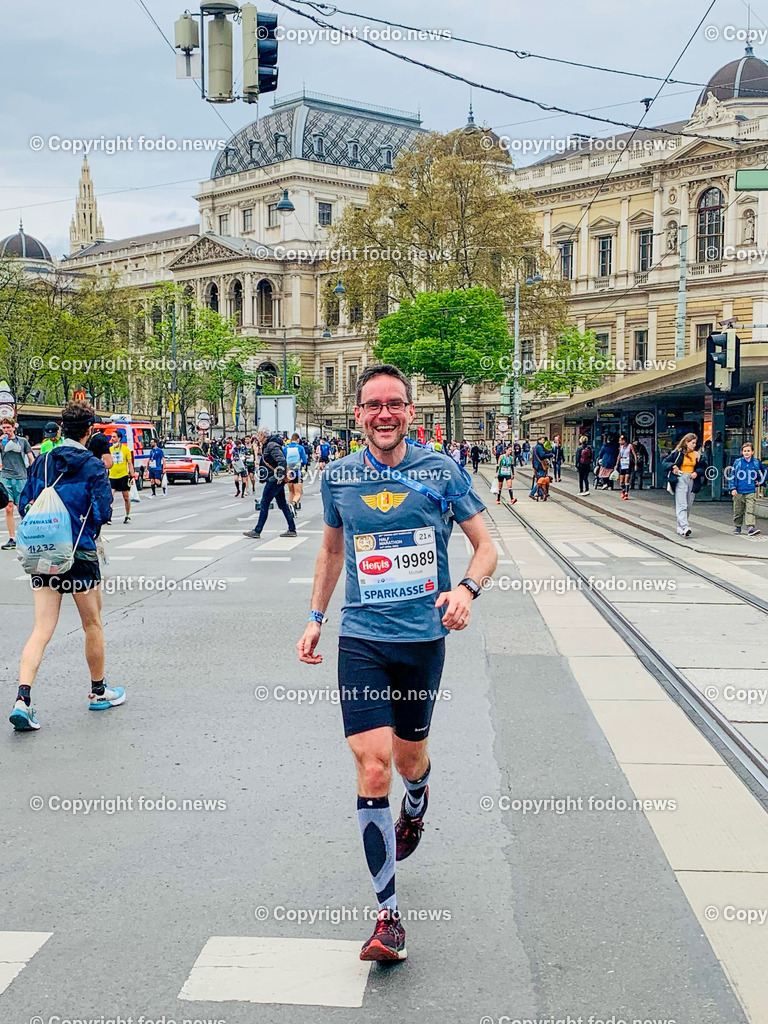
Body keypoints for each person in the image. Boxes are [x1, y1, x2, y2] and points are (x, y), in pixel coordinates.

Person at [296, 363, 497, 962]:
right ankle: (388, 917)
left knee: (409, 760)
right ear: (358, 414)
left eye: (395, 404)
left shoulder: (441, 471)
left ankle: (420, 797)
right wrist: (315, 617)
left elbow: (486, 547)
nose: (385, 415)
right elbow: (332, 549)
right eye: (373, 405)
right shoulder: (338, 477)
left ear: (412, 411)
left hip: (421, 641)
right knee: (374, 765)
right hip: (361, 637)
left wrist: (465, 590)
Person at [9, 399, 124, 732]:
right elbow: (103, 511)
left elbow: (24, 502)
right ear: (89, 431)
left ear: (61, 429)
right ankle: (98, 691)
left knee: (41, 629)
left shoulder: (43, 461)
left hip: (43, 554)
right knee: (92, 624)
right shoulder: (92, 466)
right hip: (78, 553)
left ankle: (22, 700)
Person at [242, 430, 297, 540]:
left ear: (262, 435)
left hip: (274, 480)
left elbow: (281, 461)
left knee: (264, 503)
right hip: (275, 479)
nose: (258, 437)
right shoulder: (268, 445)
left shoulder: (271, 446)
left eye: (259, 435)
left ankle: (257, 530)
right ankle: (292, 529)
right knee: (282, 504)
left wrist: (280, 477)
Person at [1, 417, 35, 550]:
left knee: (21, 507)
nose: (6, 430)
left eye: (8, 427)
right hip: (5, 476)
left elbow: (31, 457)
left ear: (13, 427)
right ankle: (12, 537)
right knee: (8, 506)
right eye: (4, 428)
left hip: (21, 477)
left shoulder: (22, 441)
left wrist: (33, 473)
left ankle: (27, 535)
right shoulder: (1, 442)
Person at [664, 433, 707, 537]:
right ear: (686, 443)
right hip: (680, 478)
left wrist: (697, 472)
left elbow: (703, 467)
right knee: (682, 503)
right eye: (692, 443)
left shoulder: (697, 455)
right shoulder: (678, 453)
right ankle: (685, 526)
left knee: (688, 504)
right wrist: (673, 466)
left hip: (692, 478)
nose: (694, 445)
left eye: (695, 443)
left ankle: (680, 525)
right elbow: (665, 462)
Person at [729, 441, 766, 536]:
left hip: (750, 490)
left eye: (748, 451)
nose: (746, 452)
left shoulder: (756, 462)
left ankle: (750, 527)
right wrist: (732, 488)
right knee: (738, 510)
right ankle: (737, 526)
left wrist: (761, 481)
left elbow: (765, 471)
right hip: (738, 490)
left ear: (752, 452)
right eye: (745, 451)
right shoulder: (738, 462)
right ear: (742, 452)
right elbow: (732, 475)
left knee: (750, 510)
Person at [285, 432, 308, 512]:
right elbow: (305, 460)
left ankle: (291, 510)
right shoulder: (300, 448)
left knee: (291, 491)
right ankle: (294, 504)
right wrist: (301, 465)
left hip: (288, 473)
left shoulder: (286, 448)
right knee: (298, 493)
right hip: (297, 472)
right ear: (298, 439)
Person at [614, 434, 636, 501]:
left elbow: (634, 455)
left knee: (626, 479)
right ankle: (623, 490)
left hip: (628, 464)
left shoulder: (630, 446)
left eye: (620, 440)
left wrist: (635, 464)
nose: (619, 441)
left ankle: (626, 493)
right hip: (622, 464)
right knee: (621, 481)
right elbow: (619, 455)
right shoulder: (620, 447)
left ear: (624, 441)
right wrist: (616, 464)